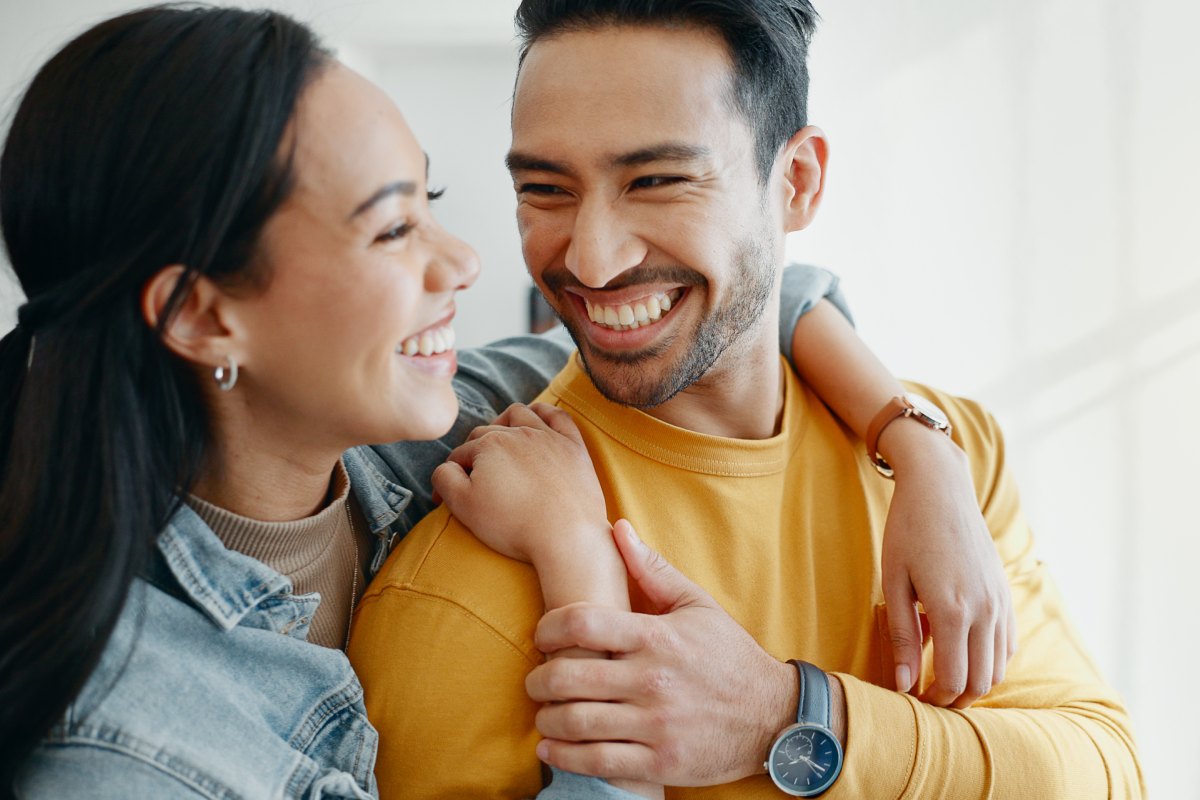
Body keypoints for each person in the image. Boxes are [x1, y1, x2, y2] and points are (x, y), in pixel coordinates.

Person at [0, 5, 1013, 798]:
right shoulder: (131, 751)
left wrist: (920, 450)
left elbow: (753, 293)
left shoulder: (419, 426)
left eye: (431, 201)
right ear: (199, 314)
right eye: (394, 229)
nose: (469, 259)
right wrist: (580, 562)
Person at [349, 1, 1145, 798]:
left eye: (656, 180)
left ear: (796, 182)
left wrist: (794, 717)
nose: (592, 260)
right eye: (547, 189)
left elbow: (1105, 772)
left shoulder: (947, 457)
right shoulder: (464, 590)